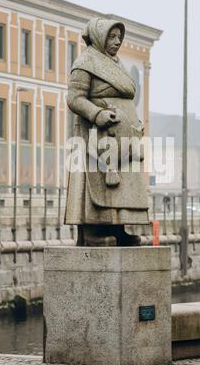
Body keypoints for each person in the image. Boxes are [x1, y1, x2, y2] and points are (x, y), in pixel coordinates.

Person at [64, 18, 149, 246]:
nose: (117, 41)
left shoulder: (116, 64)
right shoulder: (85, 62)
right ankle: (92, 232)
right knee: (97, 183)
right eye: (112, 37)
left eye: (119, 37)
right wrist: (96, 114)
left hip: (123, 136)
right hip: (97, 134)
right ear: (99, 37)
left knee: (120, 189)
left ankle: (118, 228)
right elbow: (74, 98)